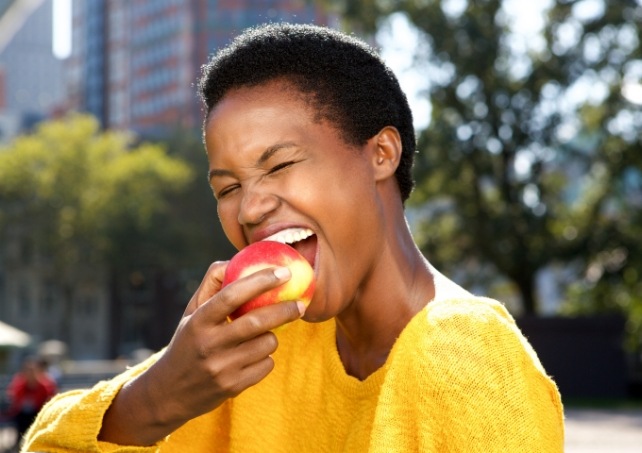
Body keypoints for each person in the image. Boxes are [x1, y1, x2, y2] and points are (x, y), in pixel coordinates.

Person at [23, 23, 564, 452]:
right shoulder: (258, 345)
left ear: (381, 154)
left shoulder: (465, 355)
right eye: (228, 187)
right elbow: (47, 444)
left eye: (280, 164)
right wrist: (158, 397)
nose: (251, 207)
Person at [5, 356, 56, 450]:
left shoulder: (45, 384)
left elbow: (48, 400)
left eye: (33, 371)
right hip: (21, 414)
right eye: (28, 371)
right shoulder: (19, 383)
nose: (30, 373)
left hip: (38, 413)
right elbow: (14, 398)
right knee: (20, 427)